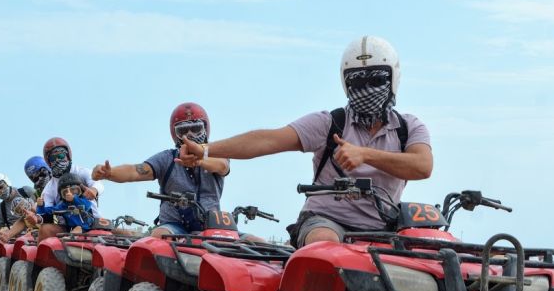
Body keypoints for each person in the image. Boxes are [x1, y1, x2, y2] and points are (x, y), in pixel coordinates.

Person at [177, 36, 433, 247]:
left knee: (434, 253)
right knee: (325, 246)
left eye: (376, 80)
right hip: (327, 220)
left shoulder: (408, 127)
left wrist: (365, 155)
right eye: (358, 81)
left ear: (393, 80)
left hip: (384, 227)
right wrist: (207, 150)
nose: (367, 89)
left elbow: (422, 166)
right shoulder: (329, 123)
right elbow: (268, 140)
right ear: (346, 83)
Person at [91, 102, 231, 238]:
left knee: (251, 241)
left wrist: (199, 159)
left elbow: (223, 166)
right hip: (174, 226)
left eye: (195, 129)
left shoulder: (216, 153)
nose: (190, 136)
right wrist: (110, 173)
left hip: (212, 226)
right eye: (182, 131)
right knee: (158, 236)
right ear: (175, 134)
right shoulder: (166, 159)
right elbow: (136, 171)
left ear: (205, 129)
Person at [38, 137, 105, 240]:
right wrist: (38, 212)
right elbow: (48, 213)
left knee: (125, 233)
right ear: (48, 162)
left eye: (61, 155)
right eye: (53, 158)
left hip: (93, 221)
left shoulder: (82, 171)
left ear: (68, 155)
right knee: (45, 229)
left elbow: (98, 184)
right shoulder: (49, 188)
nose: (58, 160)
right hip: (66, 227)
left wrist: (94, 190)